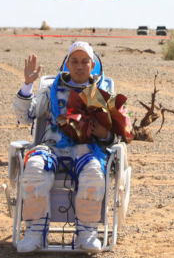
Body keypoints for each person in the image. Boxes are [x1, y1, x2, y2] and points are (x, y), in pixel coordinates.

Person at [13, 42, 117, 252]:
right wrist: (27, 85)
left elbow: (117, 133)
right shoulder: (53, 89)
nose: (79, 66)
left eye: (85, 62)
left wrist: (104, 134)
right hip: (52, 146)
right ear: (67, 64)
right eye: (75, 61)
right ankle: (35, 231)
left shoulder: (101, 93)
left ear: (93, 64)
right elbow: (26, 116)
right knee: (33, 167)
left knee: (94, 174)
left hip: (84, 149)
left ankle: (86, 233)